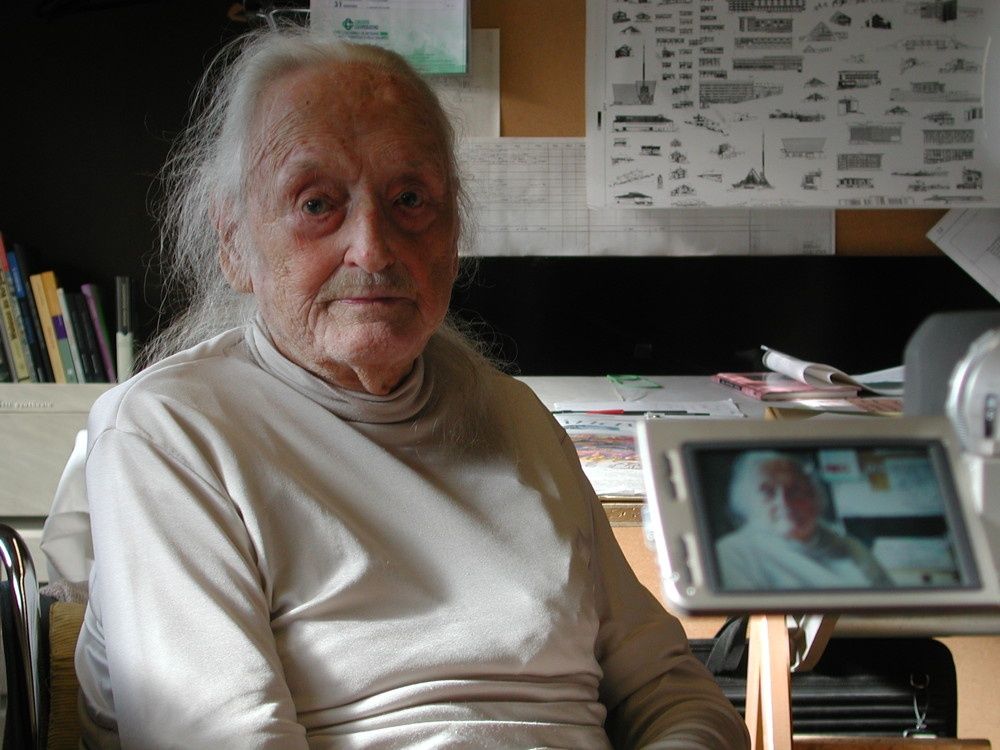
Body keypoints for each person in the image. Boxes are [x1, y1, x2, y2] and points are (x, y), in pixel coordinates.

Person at [70, 27, 749, 749]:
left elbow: (671, 691)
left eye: (411, 198)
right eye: (316, 203)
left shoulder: (515, 415)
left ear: (453, 234)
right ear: (234, 240)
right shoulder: (169, 434)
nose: (373, 248)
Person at [715, 451, 893, 591]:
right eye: (768, 491)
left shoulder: (850, 547)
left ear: (814, 496)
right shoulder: (734, 552)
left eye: (795, 490)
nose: (784, 502)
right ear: (747, 501)